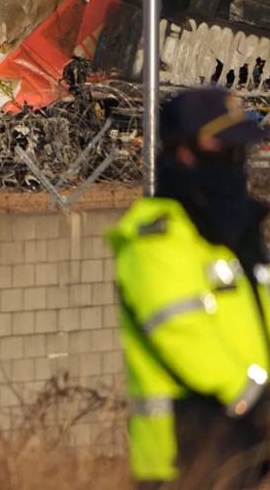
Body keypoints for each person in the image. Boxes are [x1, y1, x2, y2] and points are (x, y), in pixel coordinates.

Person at [108, 87, 270, 489]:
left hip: (243, 437)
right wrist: (253, 396)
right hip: (184, 451)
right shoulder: (156, 236)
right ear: (184, 153)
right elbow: (180, 331)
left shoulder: (235, 230)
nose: (237, 164)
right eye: (226, 151)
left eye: (241, 153)